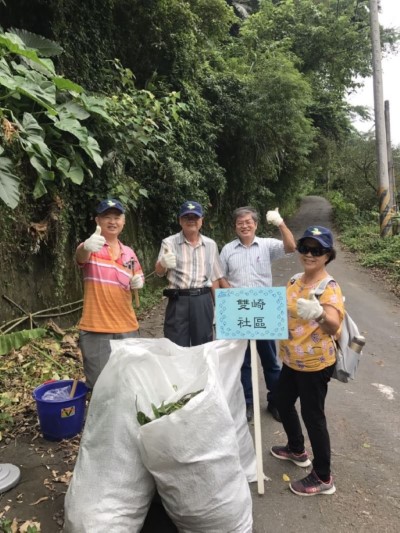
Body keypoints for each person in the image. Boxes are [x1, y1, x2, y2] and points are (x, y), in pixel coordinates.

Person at [270, 225, 344, 496]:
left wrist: (320, 315)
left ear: (327, 255)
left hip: (315, 365)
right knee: (282, 401)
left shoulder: (329, 287)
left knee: (313, 416)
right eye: (305, 248)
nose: (309, 254)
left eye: (317, 250)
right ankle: (296, 449)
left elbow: (334, 322)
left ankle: (323, 477)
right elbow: (277, 310)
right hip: (290, 359)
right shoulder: (293, 280)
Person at [219, 206, 296, 423]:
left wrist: (280, 223)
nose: (244, 225)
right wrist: (229, 295)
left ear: (256, 224)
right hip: (239, 310)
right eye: (239, 223)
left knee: (270, 360)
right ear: (235, 227)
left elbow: (291, 247)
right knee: (243, 362)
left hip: (264, 310)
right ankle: (247, 402)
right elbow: (221, 276)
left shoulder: (267, 245)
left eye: (248, 222)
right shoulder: (227, 249)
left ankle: (276, 401)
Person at [76, 198, 144, 389]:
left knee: (128, 381)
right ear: (97, 220)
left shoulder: (129, 253)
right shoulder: (92, 247)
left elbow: (137, 277)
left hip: (127, 326)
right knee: (100, 386)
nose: (112, 221)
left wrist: (138, 282)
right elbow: (80, 257)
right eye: (107, 217)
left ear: (123, 222)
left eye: (117, 217)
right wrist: (85, 247)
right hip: (96, 327)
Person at [155, 200, 224, 347]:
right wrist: (163, 263)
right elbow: (159, 272)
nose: (191, 220)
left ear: (201, 221)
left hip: (202, 299)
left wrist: (220, 307)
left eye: (195, 217)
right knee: (175, 345)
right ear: (180, 220)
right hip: (178, 300)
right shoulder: (169, 242)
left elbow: (215, 277)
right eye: (187, 217)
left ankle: (201, 371)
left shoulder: (210, 244)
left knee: (204, 344)